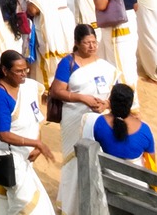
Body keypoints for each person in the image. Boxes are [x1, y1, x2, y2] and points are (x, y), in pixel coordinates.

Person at [50, 25, 116, 215]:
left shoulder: (104, 66)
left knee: (97, 158)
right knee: (73, 159)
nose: (92, 46)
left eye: (94, 42)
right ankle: (70, 205)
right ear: (77, 43)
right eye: (87, 43)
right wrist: (82, 98)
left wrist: (106, 104)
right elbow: (57, 90)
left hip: (100, 120)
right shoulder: (68, 63)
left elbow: (117, 91)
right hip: (74, 118)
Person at [0, 50, 53, 215]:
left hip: (23, 159)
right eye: (19, 71)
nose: (24, 74)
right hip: (7, 158)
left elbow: (35, 116)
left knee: (7, 206)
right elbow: (4, 135)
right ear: (5, 71)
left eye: (26, 70)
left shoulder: (27, 87)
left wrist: (37, 140)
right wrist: (36, 143)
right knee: (28, 206)